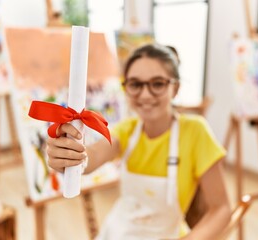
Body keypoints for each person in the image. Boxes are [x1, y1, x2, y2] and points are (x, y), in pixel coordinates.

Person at [46, 44, 231, 240]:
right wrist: (70, 157)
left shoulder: (195, 132)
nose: (145, 94)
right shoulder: (127, 130)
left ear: (175, 88)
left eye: (157, 84)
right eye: (135, 84)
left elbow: (221, 209)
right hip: (119, 231)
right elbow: (93, 156)